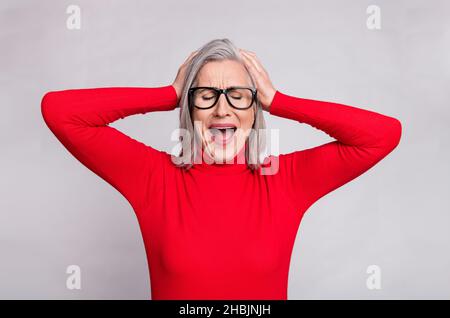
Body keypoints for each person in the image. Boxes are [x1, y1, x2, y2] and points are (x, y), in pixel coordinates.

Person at [41, 38, 402, 300]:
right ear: (190, 107)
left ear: (254, 107)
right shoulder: (153, 176)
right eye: (205, 95)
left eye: (238, 94)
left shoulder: (285, 180)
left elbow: (383, 135)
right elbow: (60, 112)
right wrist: (168, 94)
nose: (222, 110)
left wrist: (281, 101)